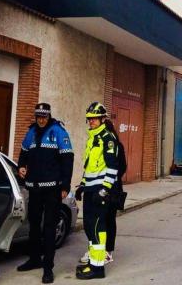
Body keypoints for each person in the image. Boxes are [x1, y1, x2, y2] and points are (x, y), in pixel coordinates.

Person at [16, 103, 74, 284]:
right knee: (34, 224)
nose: (41, 119)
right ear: (35, 116)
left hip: (52, 189)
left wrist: (65, 186)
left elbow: (67, 159)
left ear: (49, 116)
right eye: (38, 116)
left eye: (44, 116)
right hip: (34, 188)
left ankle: (48, 267)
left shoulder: (58, 131)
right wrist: (21, 167)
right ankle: (34, 260)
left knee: (49, 227)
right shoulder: (31, 132)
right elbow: (23, 154)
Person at [74, 102, 119, 280]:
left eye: (94, 119)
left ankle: (98, 268)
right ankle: (93, 263)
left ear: (102, 119)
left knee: (97, 227)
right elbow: (90, 167)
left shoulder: (107, 138)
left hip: (100, 191)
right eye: (89, 119)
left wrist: (105, 189)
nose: (91, 122)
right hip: (90, 190)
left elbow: (112, 167)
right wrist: (83, 185)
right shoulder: (92, 138)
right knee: (89, 227)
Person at [79, 118, 125, 265]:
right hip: (98, 188)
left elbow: (120, 167)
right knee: (96, 223)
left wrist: (108, 184)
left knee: (108, 220)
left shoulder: (115, 145)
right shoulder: (95, 142)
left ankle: (107, 252)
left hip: (111, 189)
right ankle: (95, 252)